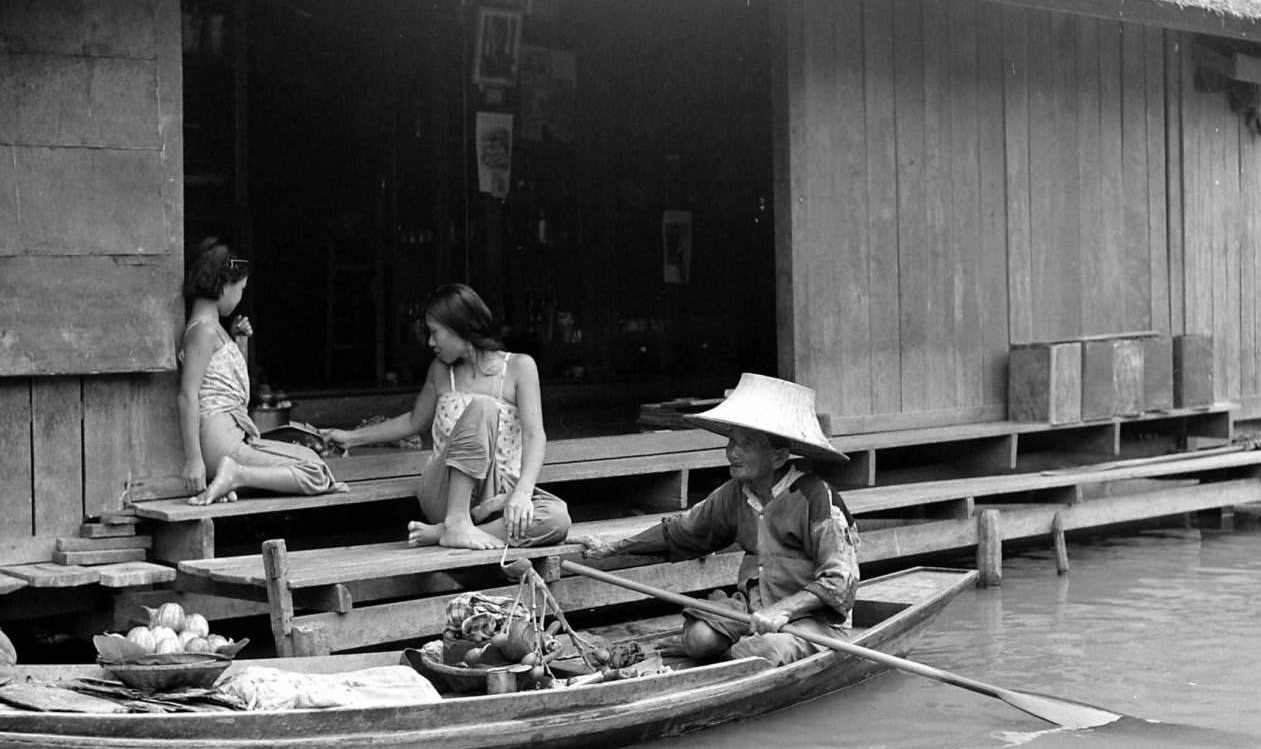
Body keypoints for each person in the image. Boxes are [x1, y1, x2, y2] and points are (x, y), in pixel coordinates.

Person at [582, 373, 858, 666]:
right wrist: (614, 547)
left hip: (814, 621)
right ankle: (727, 647)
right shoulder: (734, 495)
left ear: (778, 457)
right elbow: (681, 531)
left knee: (762, 651)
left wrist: (784, 610)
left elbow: (840, 582)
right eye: (731, 441)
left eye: (746, 444)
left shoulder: (816, 498)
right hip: (754, 607)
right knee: (699, 639)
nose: (732, 453)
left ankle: (738, 650)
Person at [321, 283, 570, 551]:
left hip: (495, 494)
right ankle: (455, 520)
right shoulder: (440, 370)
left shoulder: (521, 367)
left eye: (434, 333)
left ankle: (449, 531)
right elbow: (413, 422)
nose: (430, 343)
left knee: (557, 519)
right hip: (443, 489)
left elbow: (535, 434)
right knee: (483, 408)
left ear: (459, 328)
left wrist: (522, 491)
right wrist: (350, 438)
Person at [178, 238, 348, 506]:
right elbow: (187, 396)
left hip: (232, 438)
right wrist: (194, 460)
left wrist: (237, 340)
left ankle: (234, 479)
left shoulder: (213, 328)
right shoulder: (203, 330)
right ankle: (234, 476)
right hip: (219, 443)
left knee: (313, 461)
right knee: (314, 474)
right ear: (224, 284)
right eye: (241, 288)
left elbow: (227, 383)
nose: (240, 297)